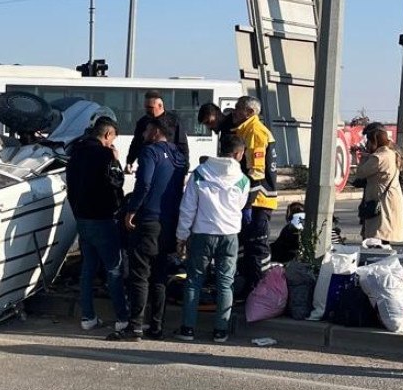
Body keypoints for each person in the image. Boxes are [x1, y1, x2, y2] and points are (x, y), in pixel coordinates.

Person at [109, 117, 187, 342]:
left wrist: (132, 209)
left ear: (155, 132)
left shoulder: (150, 152)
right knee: (160, 274)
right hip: (169, 222)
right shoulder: (179, 157)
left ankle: (135, 327)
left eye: (146, 131)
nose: (143, 135)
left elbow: (144, 183)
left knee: (140, 274)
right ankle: (157, 326)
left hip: (149, 220)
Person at [175, 134, 250, 343]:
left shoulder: (200, 173)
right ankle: (220, 331)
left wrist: (181, 235)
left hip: (202, 234)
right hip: (230, 235)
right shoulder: (243, 179)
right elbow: (241, 205)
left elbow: (188, 208)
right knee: (225, 283)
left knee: (194, 281)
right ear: (238, 154)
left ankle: (188, 329)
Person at [65, 117, 129, 332]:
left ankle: (88, 317)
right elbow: (117, 182)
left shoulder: (76, 152)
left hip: (82, 218)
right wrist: (116, 159)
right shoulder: (105, 154)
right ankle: (122, 318)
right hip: (103, 218)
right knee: (114, 268)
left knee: (88, 268)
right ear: (108, 135)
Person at [233, 96, 278, 296]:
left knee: (258, 247)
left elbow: (256, 173)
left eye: (238, 108)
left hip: (259, 200)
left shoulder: (256, 132)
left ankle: (261, 289)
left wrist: (248, 203)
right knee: (246, 246)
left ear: (250, 112)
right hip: (252, 200)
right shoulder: (245, 130)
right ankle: (246, 286)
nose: (234, 112)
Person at [352, 127, 403, 245]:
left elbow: (361, 173)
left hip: (381, 200)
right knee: (384, 236)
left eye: (369, 141)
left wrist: (362, 158)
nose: (367, 144)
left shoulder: (378, 157)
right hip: (391, 197)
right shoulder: (392, 153)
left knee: (377, 235)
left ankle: (378, 261)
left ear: (374, 141)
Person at [126, 90, 189, 173]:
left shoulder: (174, 122)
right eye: (146, 107)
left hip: (168, 167)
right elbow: (136, 143)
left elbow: (182, 147)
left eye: (150, 107)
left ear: (160, 105)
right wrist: (129, 161)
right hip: (147, 165)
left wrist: (184, 171)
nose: (147, 110)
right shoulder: (143, 122)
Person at [362, 122, 403, 225]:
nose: (367, 143)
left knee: (382, 236)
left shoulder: (393, 152)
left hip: (387, 205)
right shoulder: (374, 153)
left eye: (369, 138)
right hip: (373, 203)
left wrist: (390, 199)